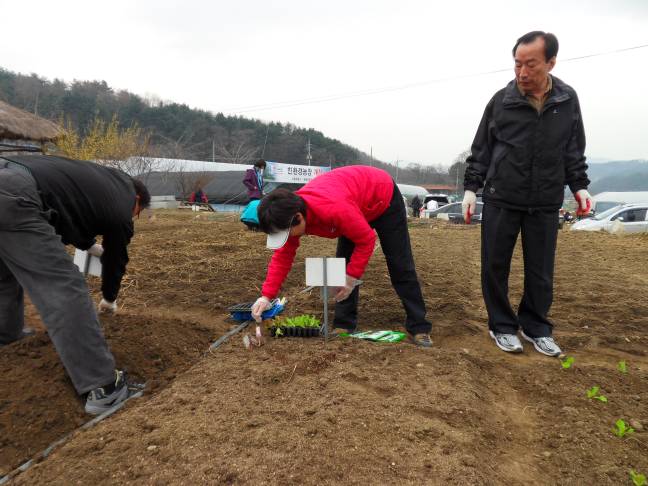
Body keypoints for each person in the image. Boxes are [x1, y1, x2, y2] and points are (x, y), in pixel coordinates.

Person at [462, 31, 592, 357]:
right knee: (494, 265)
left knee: (541, 270)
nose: (522, 72)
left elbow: (573, 149)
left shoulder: (566, 100)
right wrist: (470, 188)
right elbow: (482, 148)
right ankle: (502, 326)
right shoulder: (501, 101)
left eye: (531, 64)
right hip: (502, 195)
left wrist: (579, 185)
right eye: (517, 64)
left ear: (550, 62)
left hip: (546, 199)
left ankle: (536, 326)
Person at [0, 154, 151, 414]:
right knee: (64, 288)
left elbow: (65, 212)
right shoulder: (123, 200)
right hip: (15, 195)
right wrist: (109, 298)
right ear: (137, 200)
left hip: (9, 179)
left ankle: (7, 340)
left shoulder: (101, 179)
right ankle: (104, 388)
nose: (133, 218)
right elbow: (116, 257)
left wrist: (88, 245)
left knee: (3, 276)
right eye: (137, 214)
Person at [250, 165, 433, 347]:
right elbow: (282, 256)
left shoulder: (333, 209)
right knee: (342, 267)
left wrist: (352, 276)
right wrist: (266, 296)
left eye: (287, 233)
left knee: (400, 264)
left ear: (299, 217)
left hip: (382, 196)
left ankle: (419, 326)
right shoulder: (287, 216)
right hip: (352, 200)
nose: (287, 237)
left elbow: (366, 239)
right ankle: (344, 324)